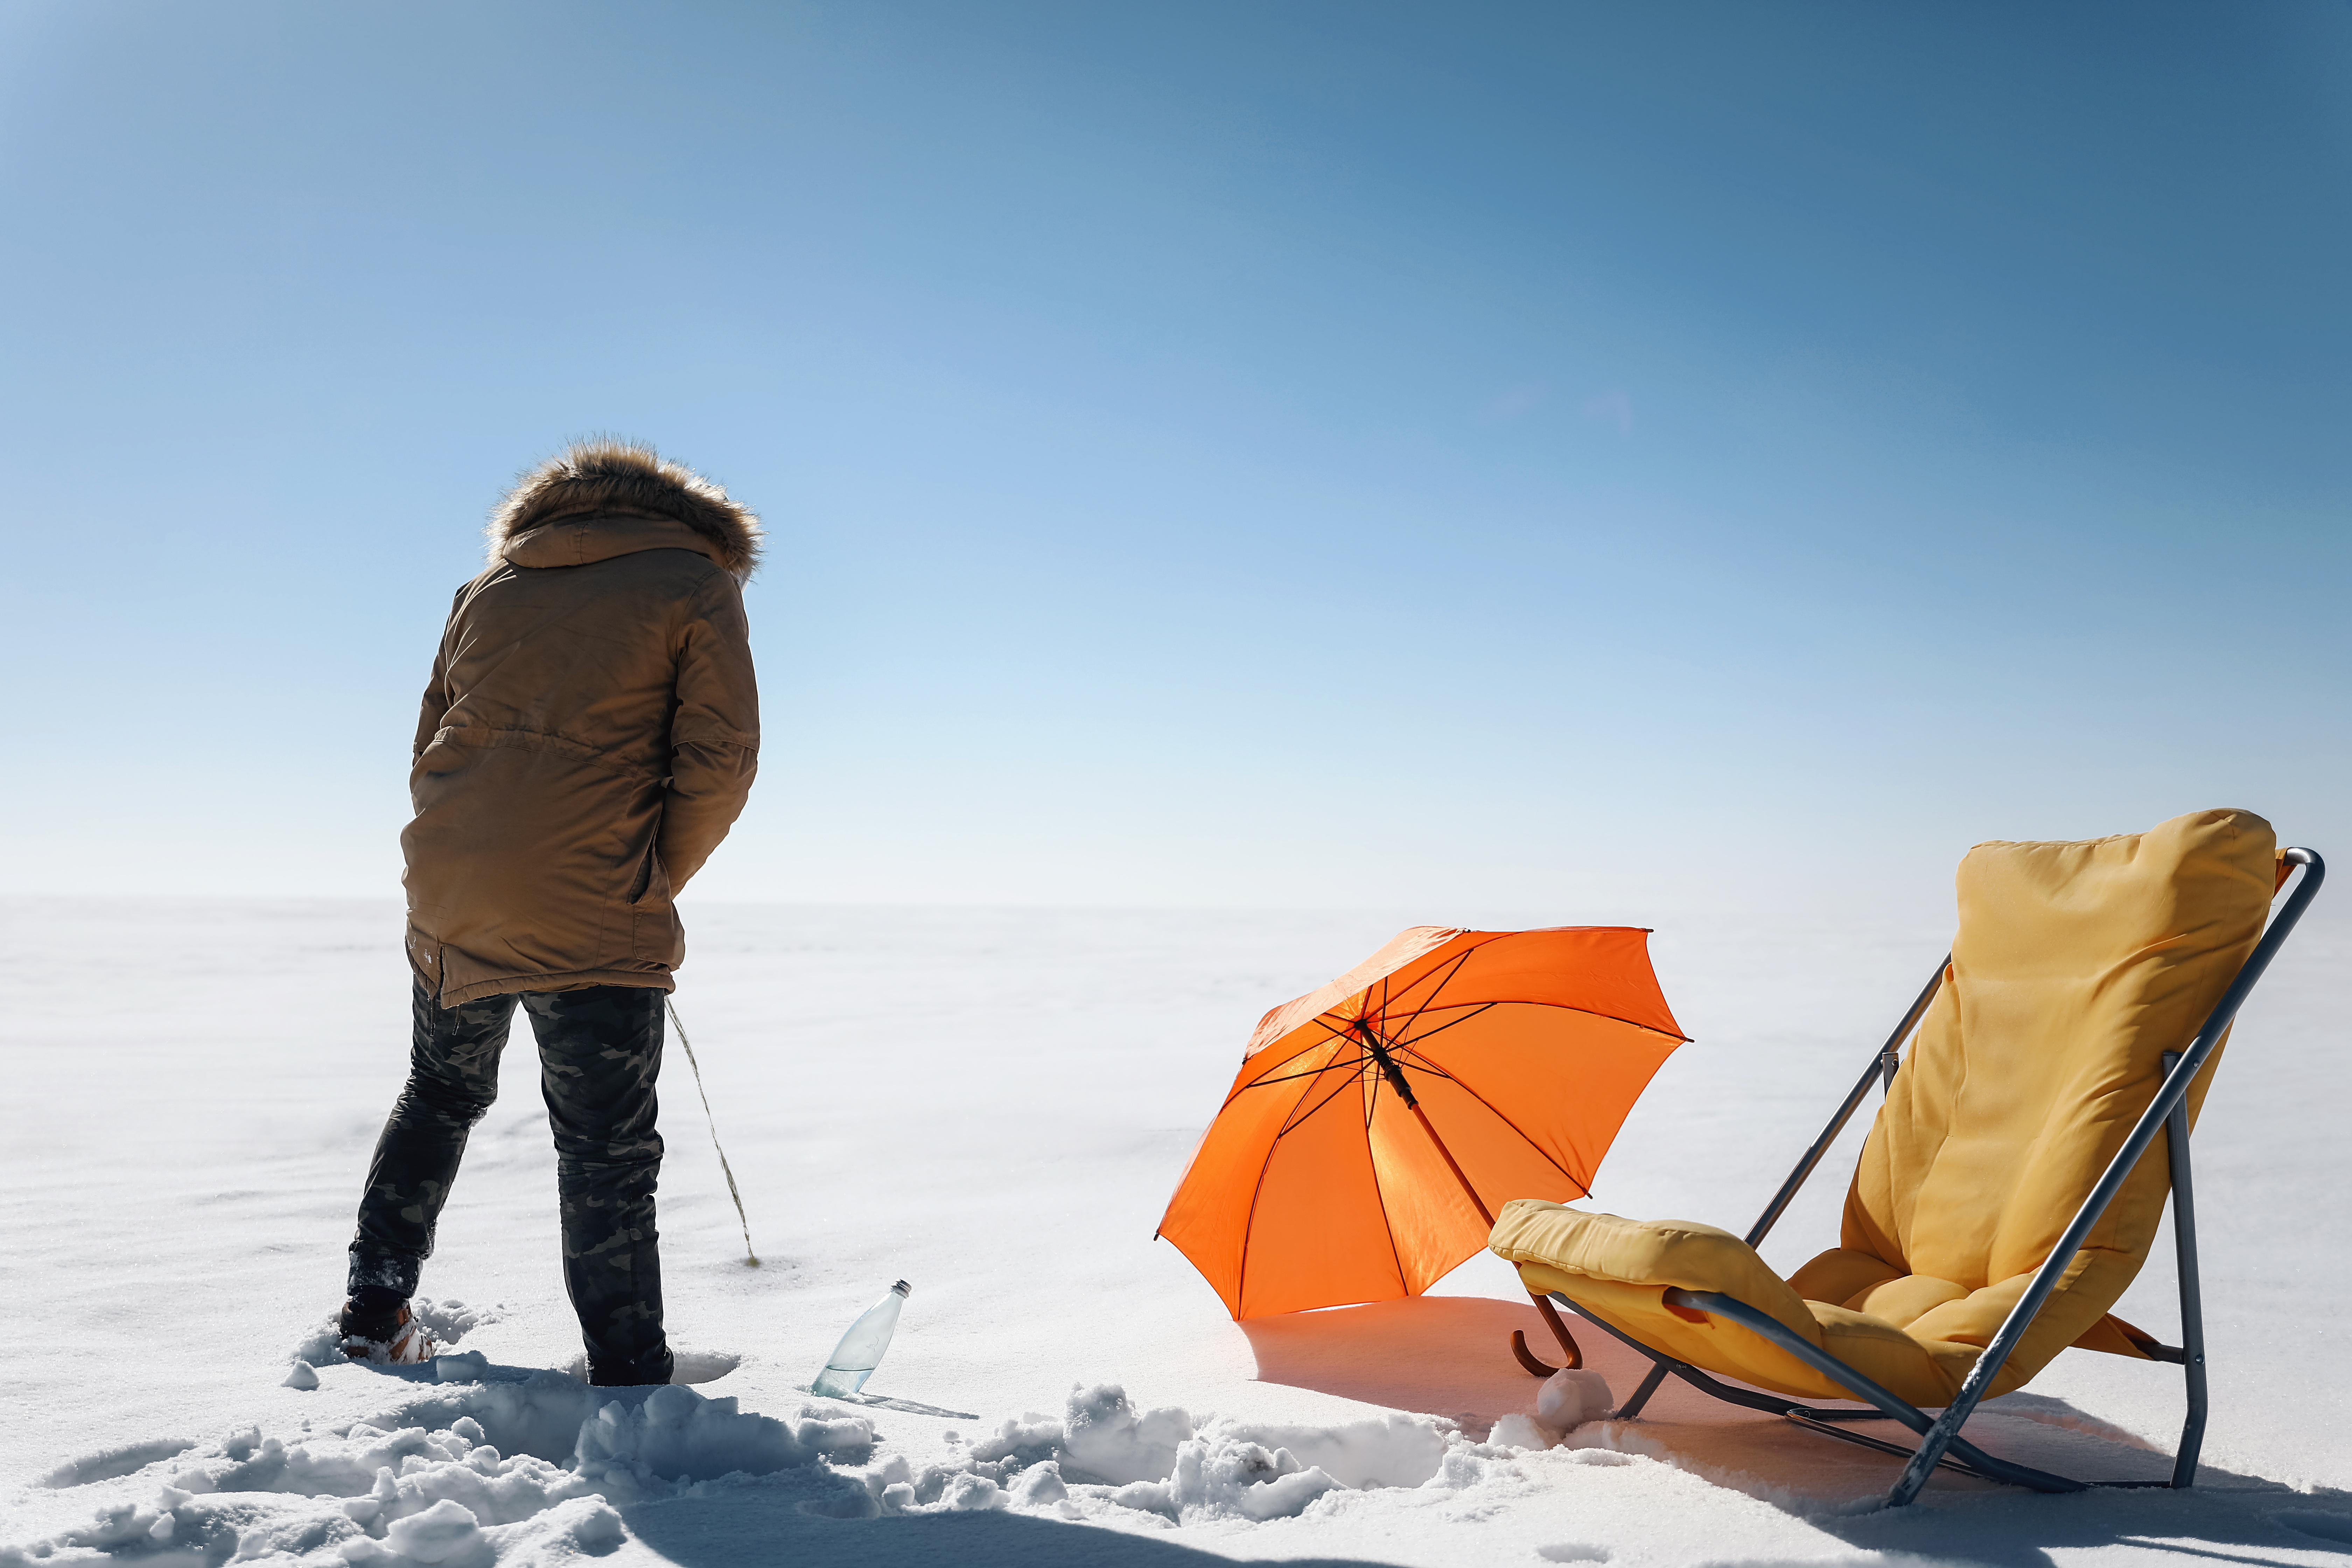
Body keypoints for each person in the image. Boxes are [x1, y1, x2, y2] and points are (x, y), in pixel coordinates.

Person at [339, 440, 761, 1386]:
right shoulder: (694, 580)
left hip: (454, 889)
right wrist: (648, 874)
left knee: (439, 1094)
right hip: (592, 897)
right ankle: (629, 1373)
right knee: (606, 1145)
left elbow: (429, 739)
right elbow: (720, 758)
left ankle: (374, 1312)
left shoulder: (489, 587)